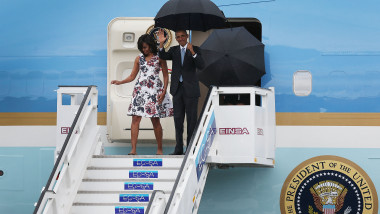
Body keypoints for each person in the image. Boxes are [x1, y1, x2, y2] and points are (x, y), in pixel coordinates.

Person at [111, 34, 173, 155]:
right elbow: (132, 76)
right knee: (135, 119)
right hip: (140, 91)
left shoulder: (159, 57)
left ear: (150, 45)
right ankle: (133, 149)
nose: (144, 50)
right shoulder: (138, 58)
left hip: (154, 91)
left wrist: (164, 91)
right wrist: (120, 82)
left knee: (155, 120)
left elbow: (166, 75)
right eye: (142, 48)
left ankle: (159, 149)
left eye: (146, 47)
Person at [157, 29, 205, 155]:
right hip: (177, 90)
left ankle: (190, 149)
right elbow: (162, 56)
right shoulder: (174, 50)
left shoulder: (195, 49)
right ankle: (178, 149)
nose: (180, 38)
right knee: (178, 120)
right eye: (178, 37)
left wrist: (192, 52)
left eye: (182, 36)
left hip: (191, 90)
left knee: (191, 121)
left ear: (187, 36)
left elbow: (201, 65)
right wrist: (161, 43)